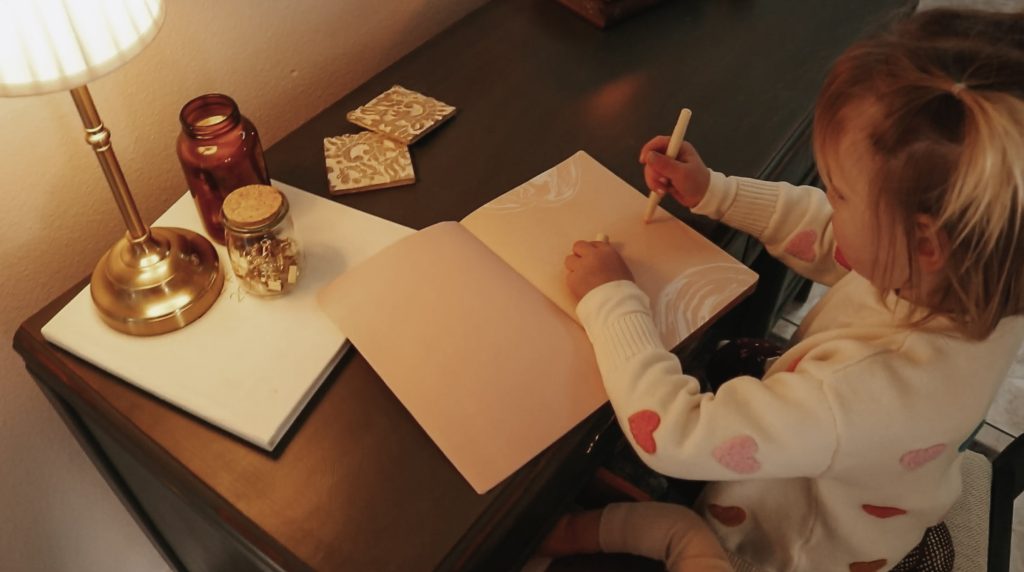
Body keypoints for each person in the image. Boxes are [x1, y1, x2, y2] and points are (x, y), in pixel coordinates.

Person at [558, 7, 1024, 571]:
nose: (829, 201)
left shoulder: (859, 392)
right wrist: (716, 192)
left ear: (925, 243)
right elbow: (833, 235)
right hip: (872, 485)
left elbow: (675, 434)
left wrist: (611, 298)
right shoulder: (980, 275)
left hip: (782, 549)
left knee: (669, 529)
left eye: (841, 192)